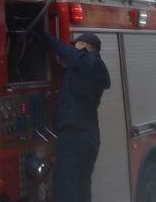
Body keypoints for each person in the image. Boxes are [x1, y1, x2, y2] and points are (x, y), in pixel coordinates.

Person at [41, 31, 111, 202]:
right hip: (87, 137)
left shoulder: (91, 64)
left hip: (75, 138)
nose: (73, 48)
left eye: (77, 46)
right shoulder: (87, 70)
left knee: (67, 191)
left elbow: (66, 52)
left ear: (86, 47)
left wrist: (43, 36)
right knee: (81, 188)